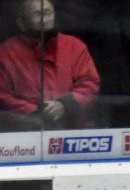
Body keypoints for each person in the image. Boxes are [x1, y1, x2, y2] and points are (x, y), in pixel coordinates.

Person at [0, 0, 100, 131]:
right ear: (21, 23)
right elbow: (3, 95)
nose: (45, 20)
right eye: (37, 14)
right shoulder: (6, 53)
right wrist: (35, 112)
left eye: (48, 13)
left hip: (73, 130)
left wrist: (64, 105)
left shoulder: (74, 46)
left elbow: (90, 84)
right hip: (26, 132)